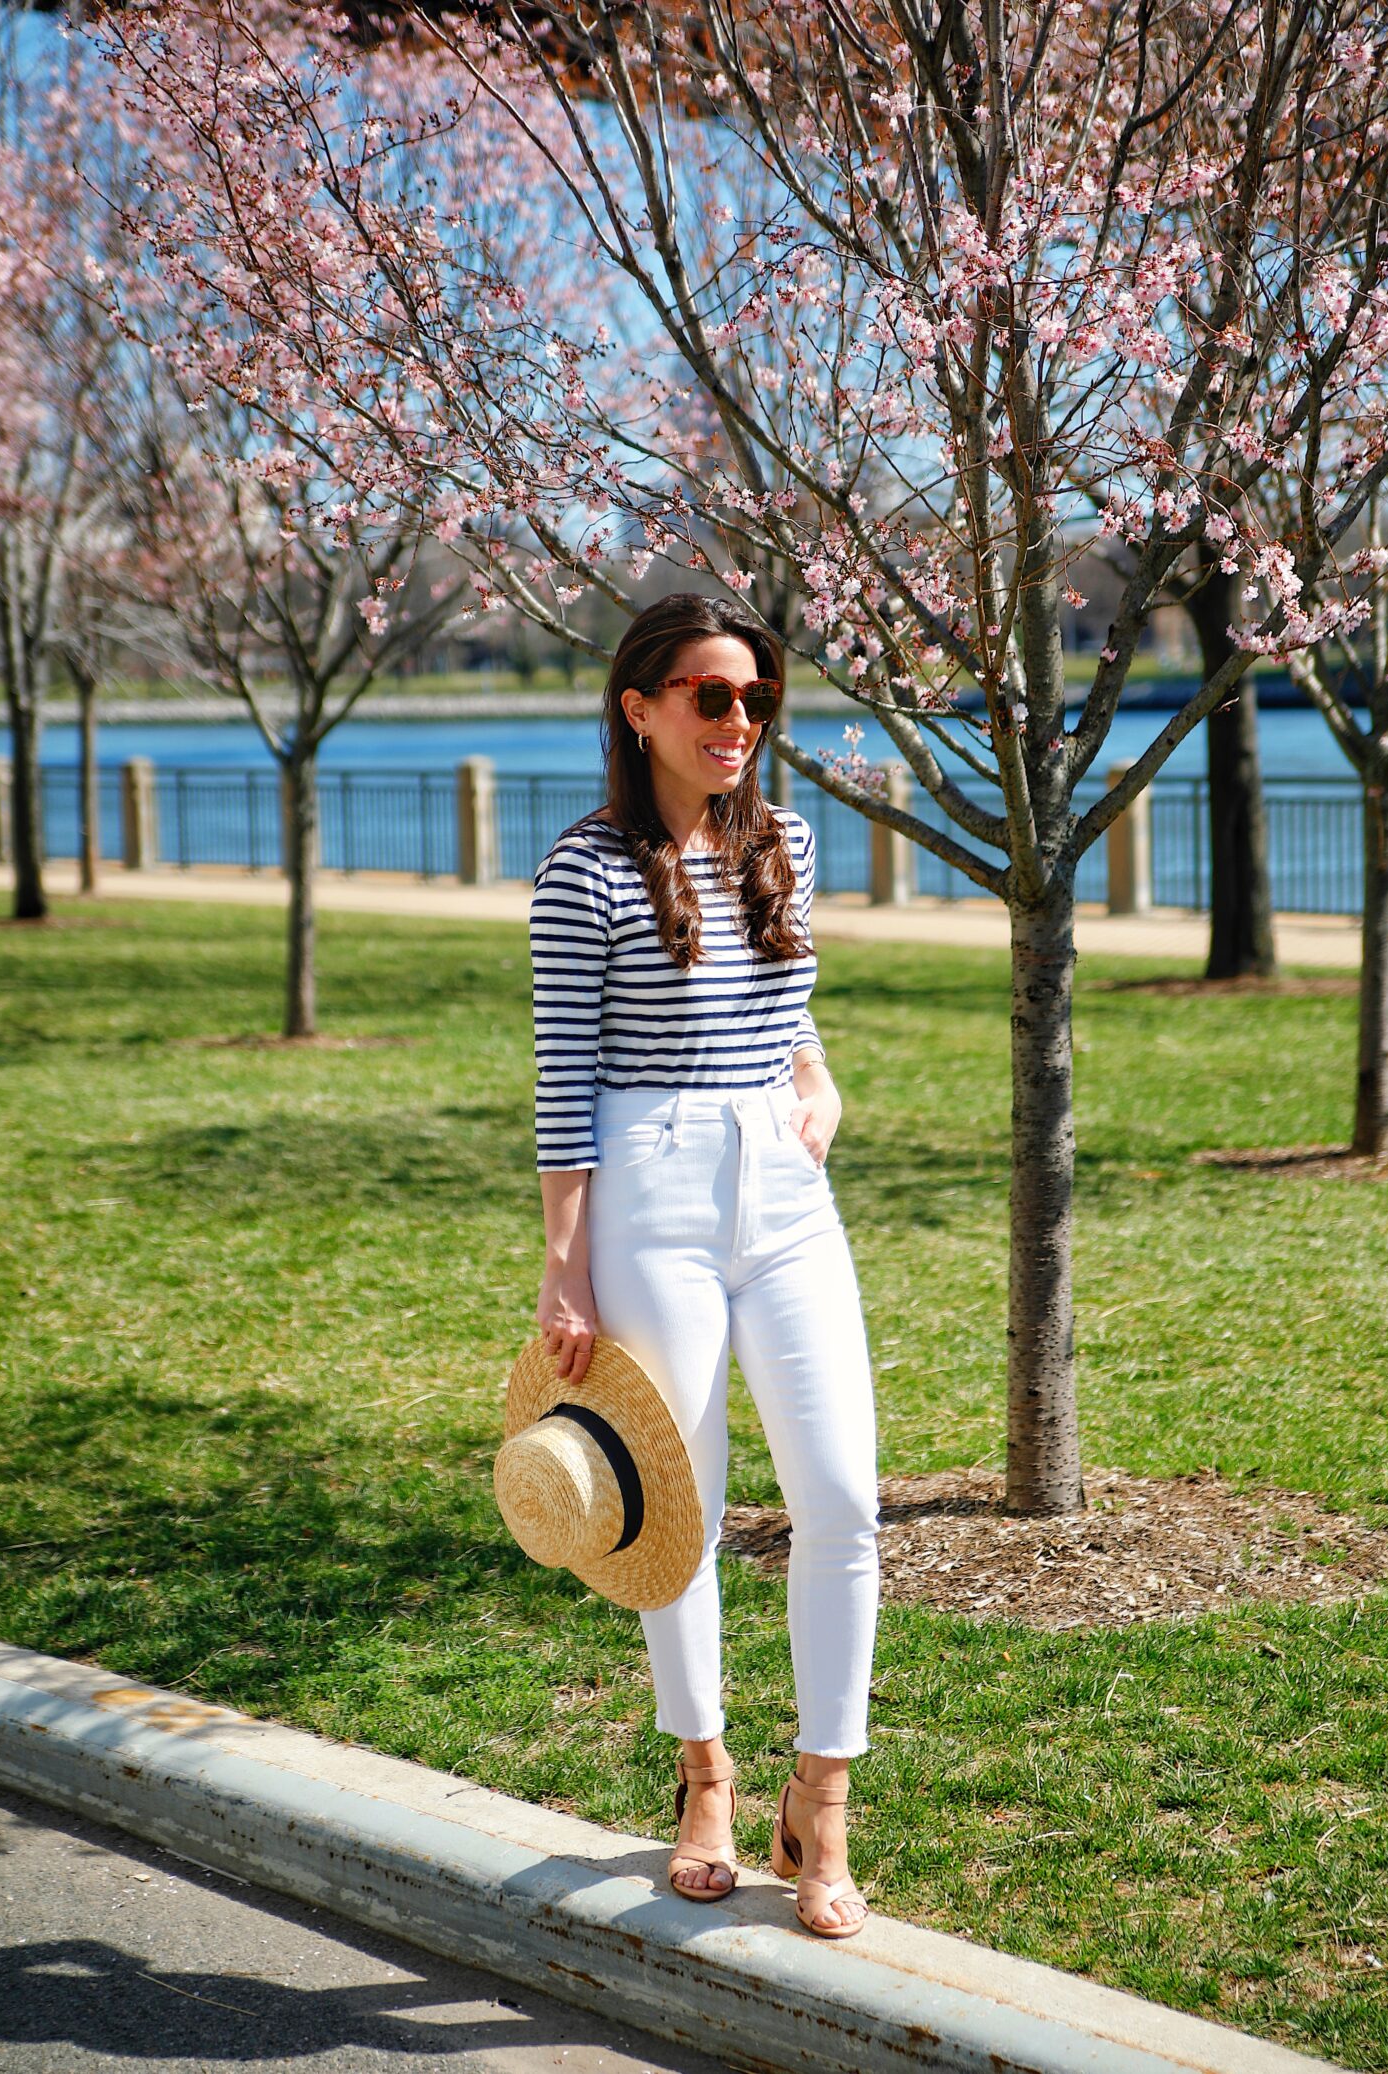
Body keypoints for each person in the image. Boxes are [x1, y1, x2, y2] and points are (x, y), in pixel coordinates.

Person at [528, 591, 880, 1939]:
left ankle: (825, 1798)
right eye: (710, 697)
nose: (740, 722)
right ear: (640, 708)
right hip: (648, 1186)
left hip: (785, 1188)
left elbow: (788, 1006)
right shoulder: (585, 870)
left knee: (843, 1493)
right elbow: (565, 1080)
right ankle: (707, 1777)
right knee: (683, 1502)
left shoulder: (784, 837)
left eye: (756, 700)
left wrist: (819, 1077)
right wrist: (565, 1266)